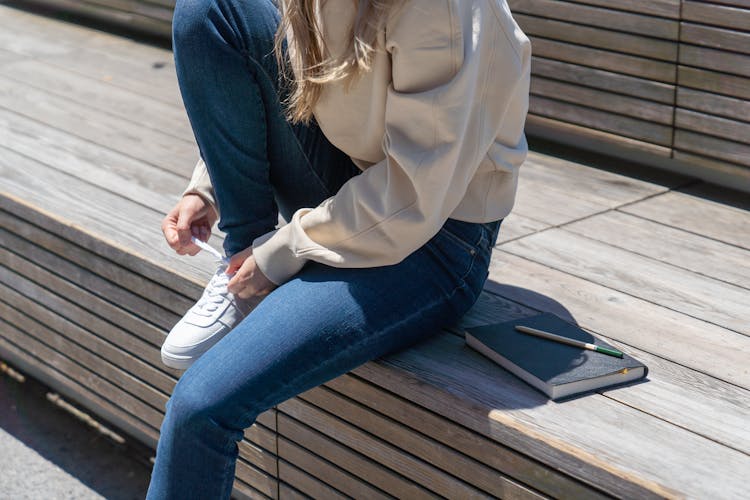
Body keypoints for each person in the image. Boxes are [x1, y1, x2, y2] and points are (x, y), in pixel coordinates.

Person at [148, 0, 530, 497]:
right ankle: (237, 268)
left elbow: (413, 196)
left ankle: (251, 272)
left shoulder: (441, 9)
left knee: (199, 406)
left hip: (436, 236)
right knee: (212, 9)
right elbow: (282, 63)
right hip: (352, 177)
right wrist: (211, 188)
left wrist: (278, 256)